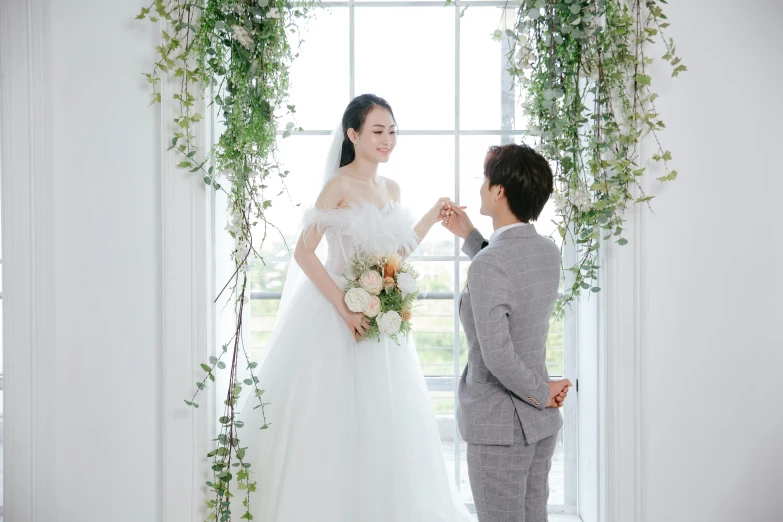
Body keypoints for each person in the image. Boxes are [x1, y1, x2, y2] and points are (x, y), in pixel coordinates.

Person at [234, 94, 473, 521]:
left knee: (383, 424)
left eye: (392, 131)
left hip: (378, 316)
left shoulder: (391, 188)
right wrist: (344, 307)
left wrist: (435, 215)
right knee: (328, 420)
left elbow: (395, 252)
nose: (387, 140)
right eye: (378, 131)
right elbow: (305, 253)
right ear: (353, 134)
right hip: (333, 312)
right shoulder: (338, 185)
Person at [441, 143, 572, 522]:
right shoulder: (547, 251)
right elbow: (508, 275)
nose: (482, 185)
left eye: (486, 178)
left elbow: (498, 355)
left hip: (499, 429)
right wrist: (472, 238)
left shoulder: (488, 264)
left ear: (499, 191)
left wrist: (542, 393)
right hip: (539, 428)